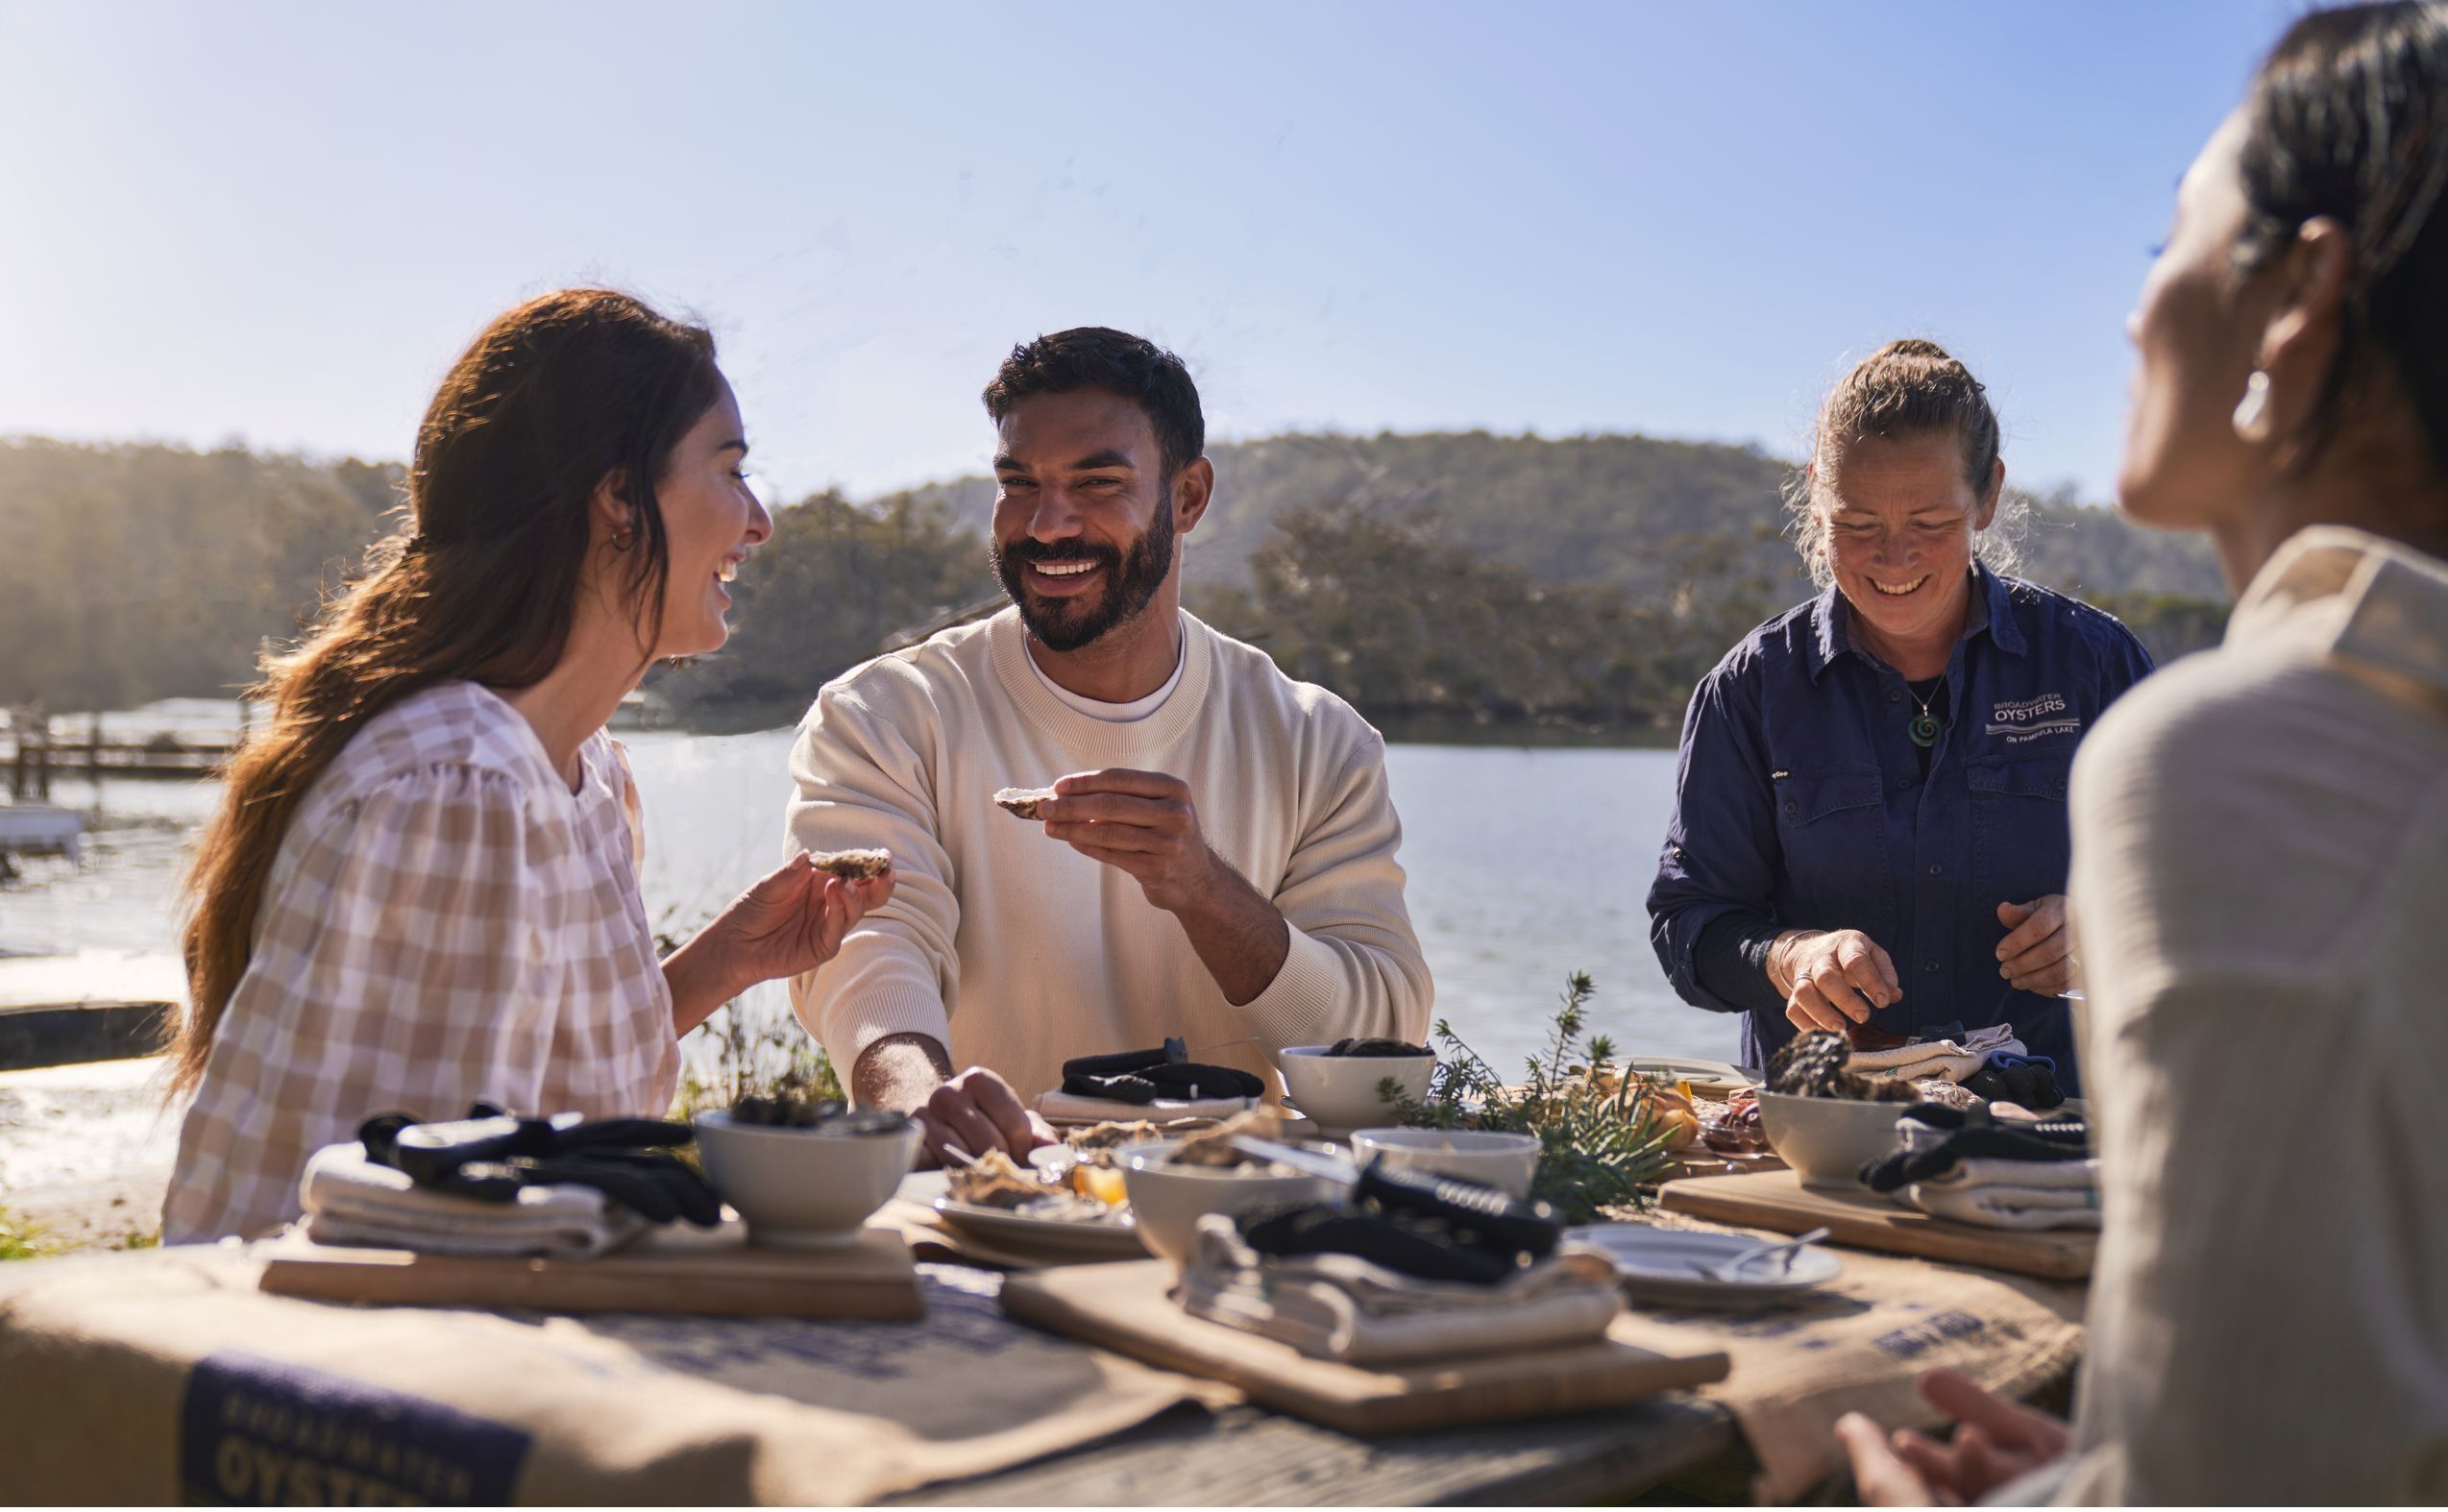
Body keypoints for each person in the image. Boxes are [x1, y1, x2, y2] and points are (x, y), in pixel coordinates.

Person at [1838, 2, 2448, 1501]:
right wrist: (2114, 1457)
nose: (2134, 313)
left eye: (2171, 243)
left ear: (2301, 297)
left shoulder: (2243, 754)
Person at [162, 290, 890, 1241]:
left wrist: (724, 961)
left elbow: (511, 1117)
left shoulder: (581, 775)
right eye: (730, 470)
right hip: (306, 1362)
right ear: (619, 496)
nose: (758, 521)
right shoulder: (461, 785)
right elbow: (430, 1214)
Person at [786, 327, 1432, 1165]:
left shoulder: (1318, 741)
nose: (1048, 526)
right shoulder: (883, 715)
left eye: (1097, 483)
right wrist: (919, 1107)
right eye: (1019, 484)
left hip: (1240, 1208)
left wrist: (1203, 889)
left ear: (1189, 497)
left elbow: (1380, 1043)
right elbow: (870, 948)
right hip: (987, 1195)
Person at [1646, 342, 2154, 1090]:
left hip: (2058, 1135)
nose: (1892, 558)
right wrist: (1786, 959)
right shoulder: (1750, 689)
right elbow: (1689, 927)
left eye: (1929, 522)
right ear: (1817, 496)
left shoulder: (2097, 667)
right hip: (1823, 1130)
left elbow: (2202, 898)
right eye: (1856, 524)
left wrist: (2107, 931)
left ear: (1988, 498)